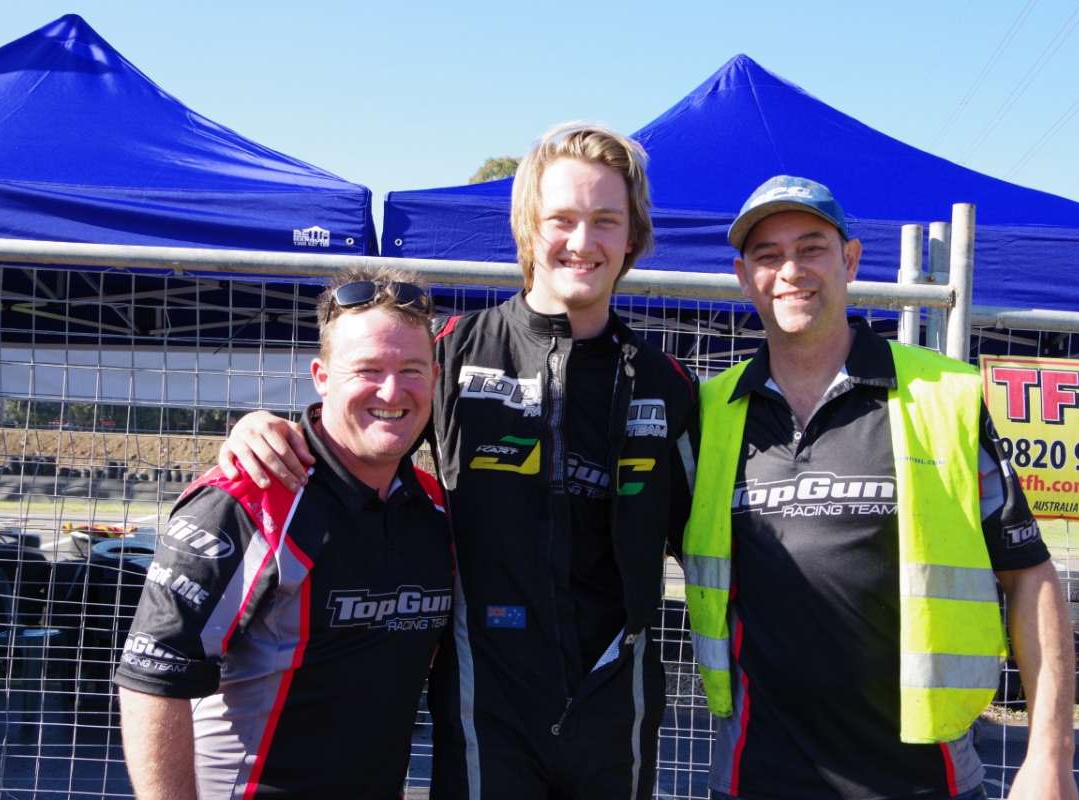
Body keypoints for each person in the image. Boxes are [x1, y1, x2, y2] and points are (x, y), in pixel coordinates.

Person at [218, 122, 699, 800]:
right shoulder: (455, 351)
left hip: (617, 706)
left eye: (605, 221)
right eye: (562, 219)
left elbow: (710, 539)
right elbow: (355, 441)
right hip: (486, 705)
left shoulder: (668, 385)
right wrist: (263, 427)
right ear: (528, 227)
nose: (582, 241)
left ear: (632, 236)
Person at [684, 175, 1078, 800]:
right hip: (754, 779)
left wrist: (1050, 757)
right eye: (768, 255)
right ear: (744, 277)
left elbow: (1030, 576)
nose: (791, 270)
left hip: (925, 783)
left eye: (811, 248)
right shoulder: (708, 412)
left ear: (850, 260)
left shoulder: (943, 398)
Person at [114, 268, 453, 799]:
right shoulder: (249, 495)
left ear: (434, 377)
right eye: (367, 369)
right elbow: (152, 679)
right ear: (322, 376)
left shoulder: (437, 508)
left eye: (410, 370)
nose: (392, 390)